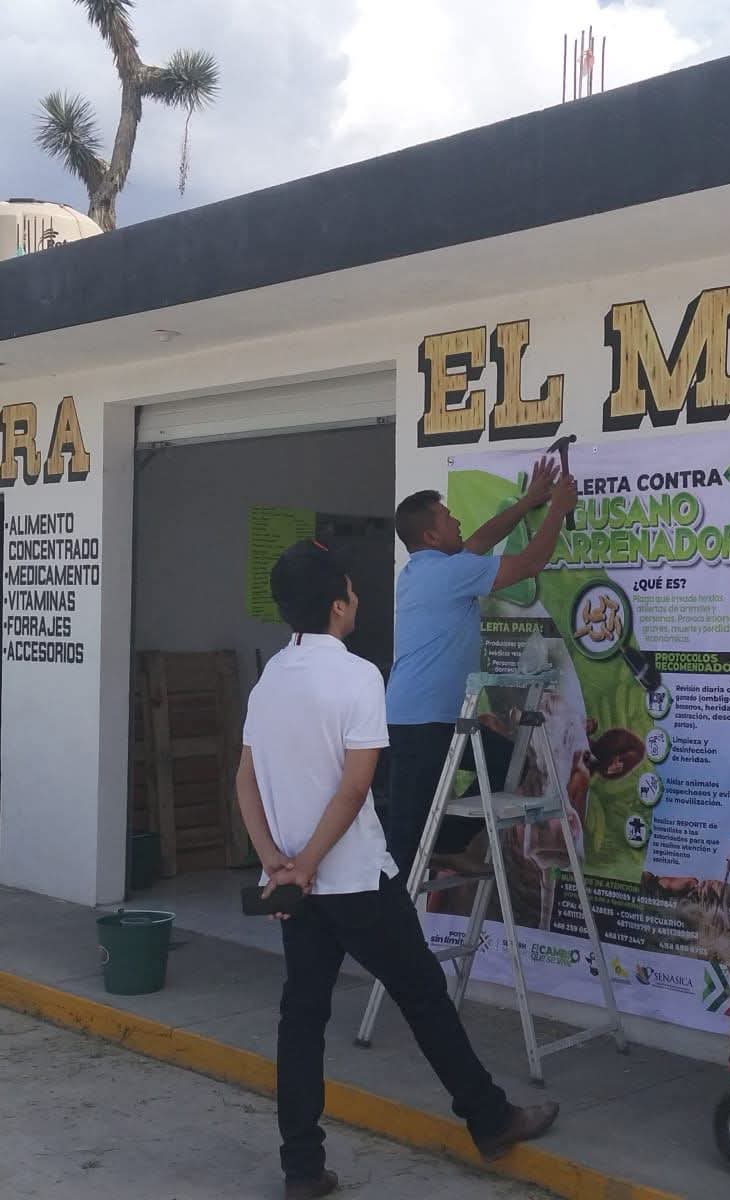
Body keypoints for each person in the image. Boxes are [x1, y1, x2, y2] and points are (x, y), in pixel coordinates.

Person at [236, 540, 559, 1200]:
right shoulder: (358, 676)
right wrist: (307, 866)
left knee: (302, 1018)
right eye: (352, 590)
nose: (358, 599)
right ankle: (491, 1119)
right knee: (423, 997)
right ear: (337, 606)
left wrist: (277, 864)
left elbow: (243, 778)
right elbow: (355, 789)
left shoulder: (269, 680)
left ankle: (302, 1167)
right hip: (353, 877)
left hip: (299, 885)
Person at [386, 459, 578, 881]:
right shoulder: (448, 573)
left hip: (434, 716)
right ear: (431, 536)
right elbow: (528, 564)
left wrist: (528, 501)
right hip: (420, 720)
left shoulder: (423, 570)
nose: (457, 522)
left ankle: (447, 845)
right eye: (447, 517)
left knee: (506, 760)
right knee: (406, 836)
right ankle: (391, 903)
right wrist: (558, 511)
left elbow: (479, 540)